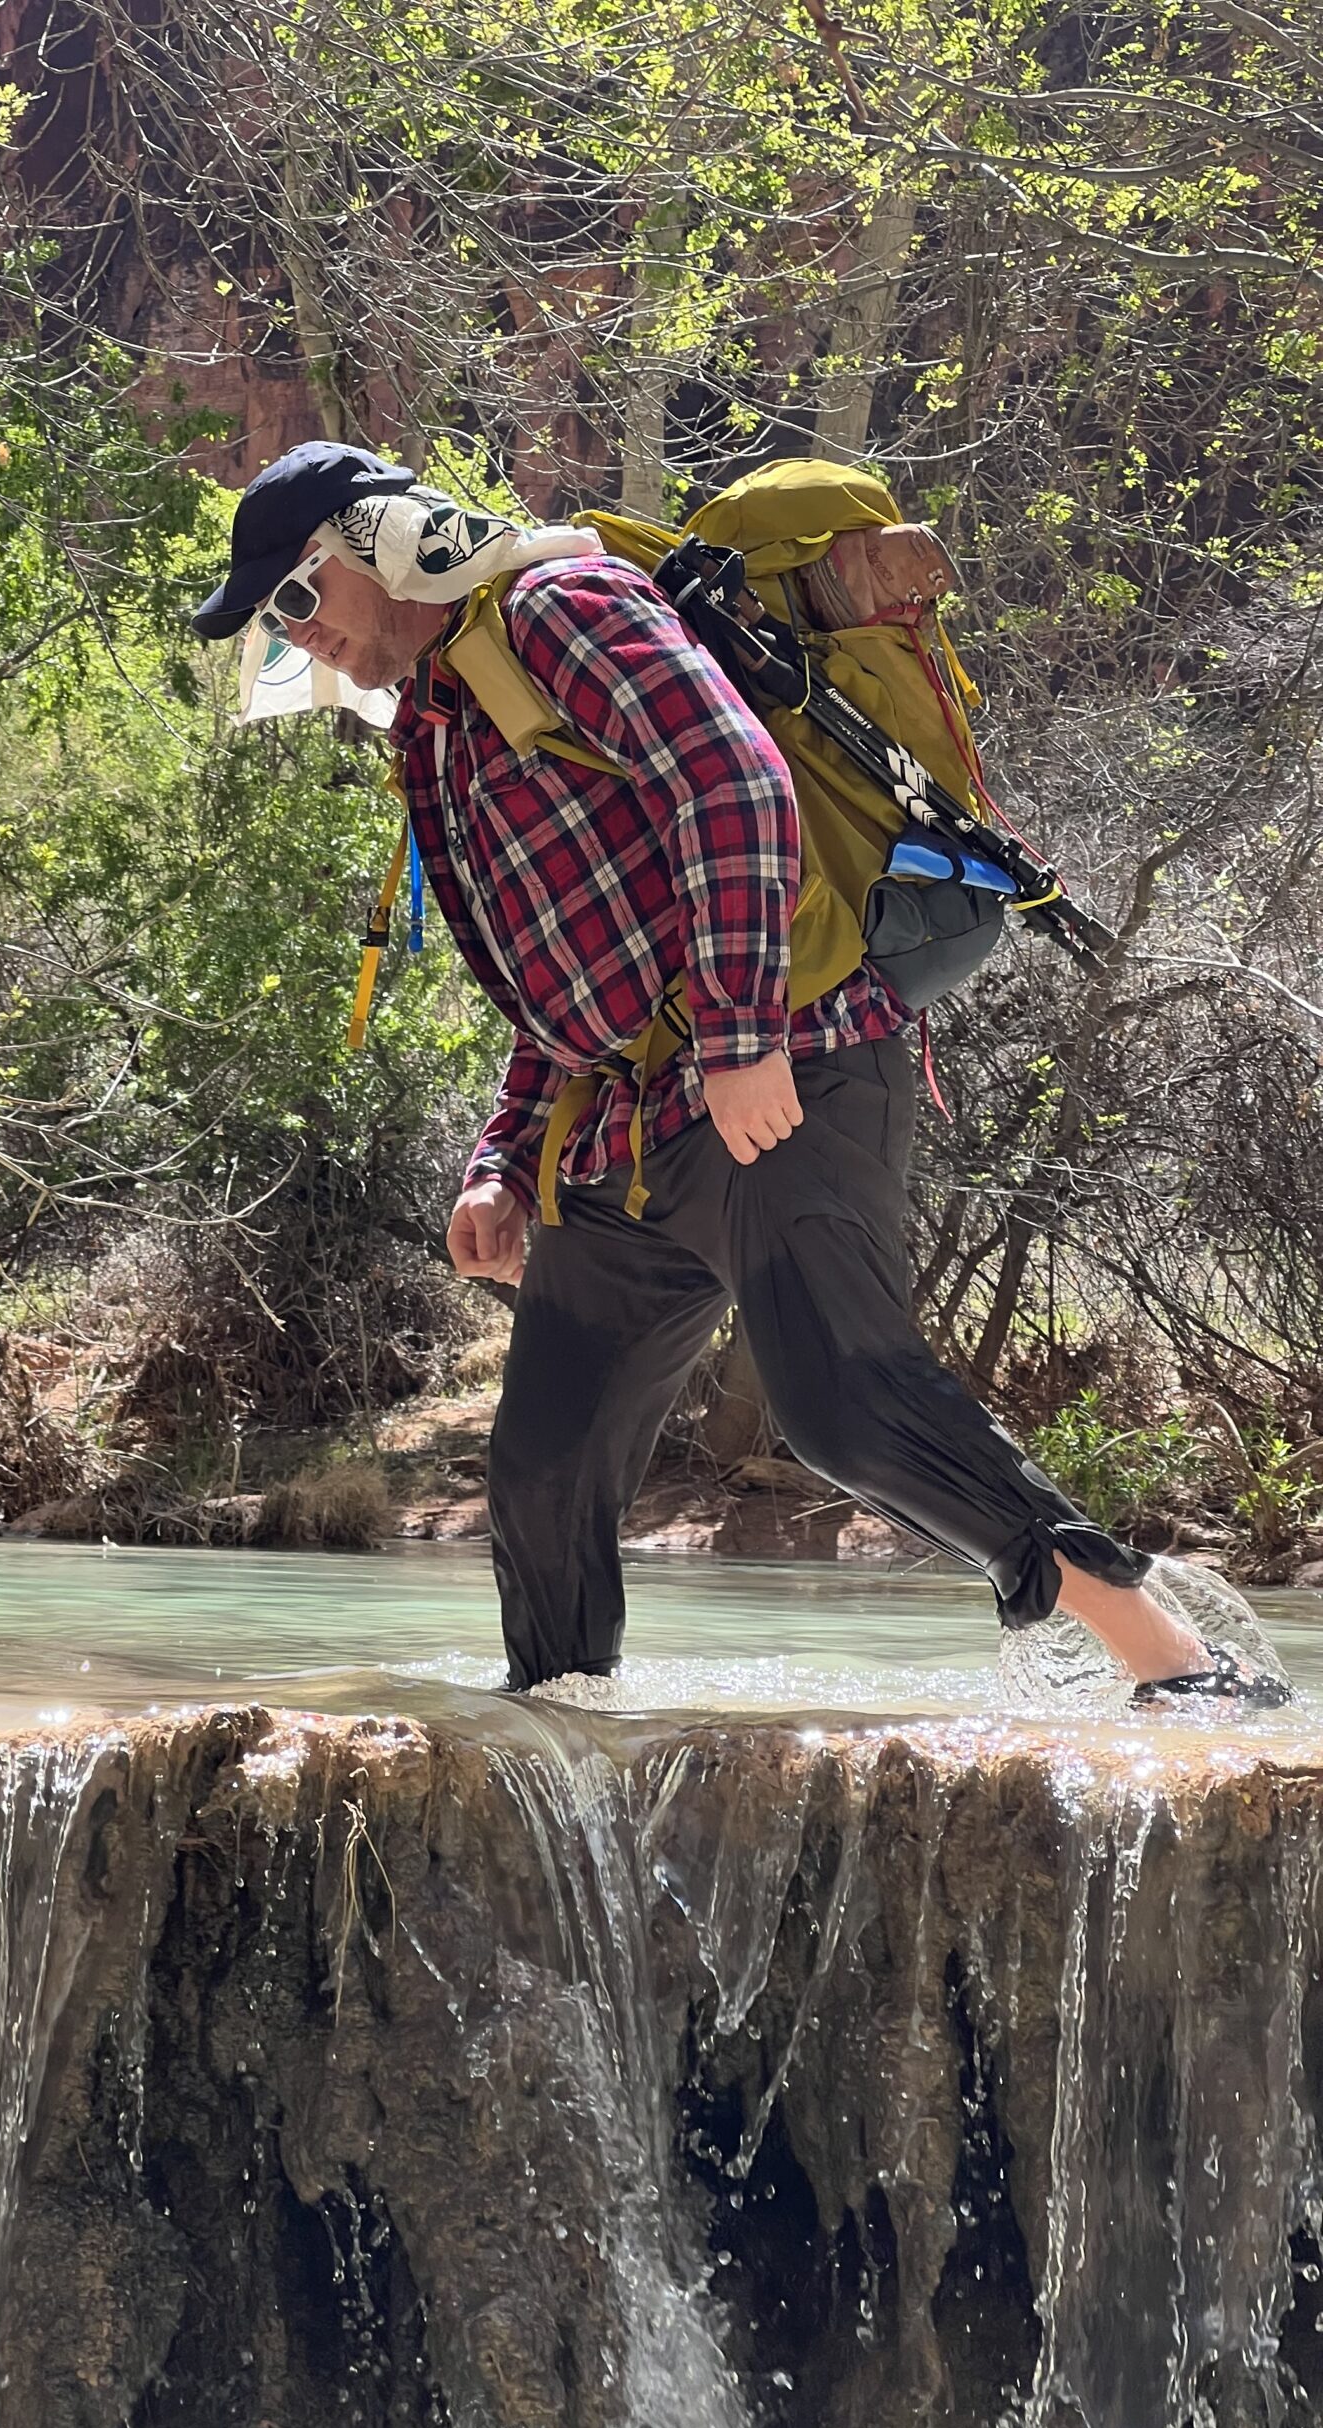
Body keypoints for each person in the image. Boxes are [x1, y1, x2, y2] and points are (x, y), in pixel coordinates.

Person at [193, 441, 1289, 1709]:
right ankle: (563, 1746)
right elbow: (562, 970)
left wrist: (735, 1034)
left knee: (845, 1408)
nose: (300, 640)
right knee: (545, 1467)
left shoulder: (563, 609)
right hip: (625, 1130)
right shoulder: (438, 730)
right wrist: (501, 1156)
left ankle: (1177, 1658)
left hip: (794, 1065)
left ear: (386, 546)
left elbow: (737, 782)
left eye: (294, 599)